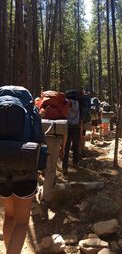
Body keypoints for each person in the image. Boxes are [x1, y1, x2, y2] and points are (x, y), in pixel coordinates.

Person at [0, 86, 45, 254]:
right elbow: (40, 141)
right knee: (21, 222)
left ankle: (9, 249)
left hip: (1, 170)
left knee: (9, 216)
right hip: (25, 171)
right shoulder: (31, 111)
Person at [62, 98, 81, 175]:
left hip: (68, 127)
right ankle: (75, 163)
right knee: (76, 146)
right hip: (76, 127)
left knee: (66, 148)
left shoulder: (66, 103)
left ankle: (65, 167)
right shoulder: (78, 103)